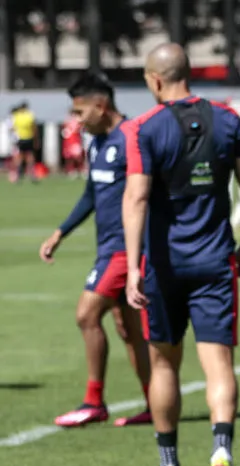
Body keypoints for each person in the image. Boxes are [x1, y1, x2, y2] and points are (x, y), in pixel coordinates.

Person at [122, 43, 240, 466]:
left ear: (155, 79)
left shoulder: (144, 127)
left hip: (163, 267)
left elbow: (136, 197)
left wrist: (132, 268)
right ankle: (221, 451)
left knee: (163, 363)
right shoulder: (228, 119)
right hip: (216, 261)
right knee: (218, 363)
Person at [39, 72, 153, 429]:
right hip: (107, 248)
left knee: (86, 315)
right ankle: (155, 402)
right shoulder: (97, 143)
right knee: (127, 328)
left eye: (79, 112)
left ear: (101, 106)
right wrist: (60, 232)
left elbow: (149, 194)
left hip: (124, 249)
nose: (76, 120)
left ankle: (93, 402)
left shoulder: (133, 138)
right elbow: (91, 193)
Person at [11, 102, 38, 182]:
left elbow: (13, 128)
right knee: (30, 156)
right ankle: (31, 174)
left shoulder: (16, 116)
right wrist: (36, 140)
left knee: (20, 157)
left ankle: (19, 174)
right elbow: (34, 128)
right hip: (29, 138)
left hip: (20, 139)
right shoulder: (30, 115)